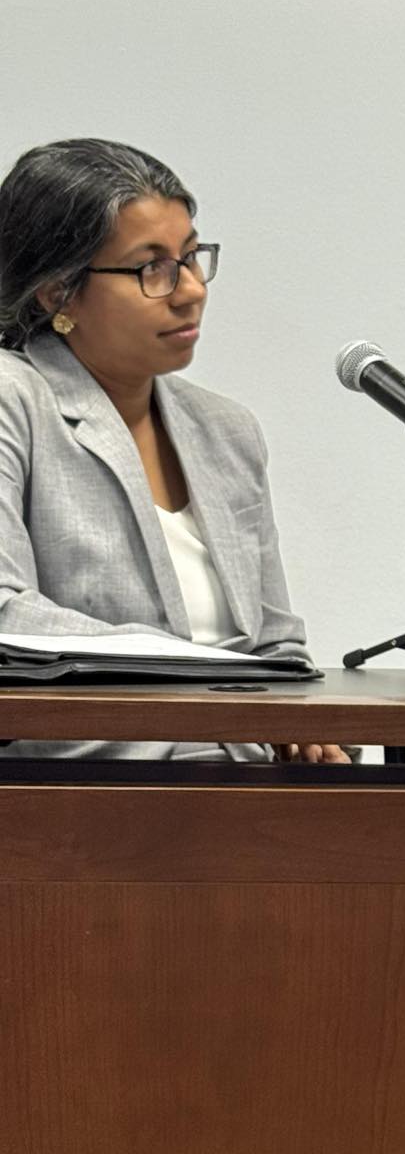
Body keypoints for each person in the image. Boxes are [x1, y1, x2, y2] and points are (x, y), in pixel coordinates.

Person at [0, 137, 346, 763]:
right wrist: (209, 686)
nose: (190, 290)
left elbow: (276, 645)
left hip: (241, 779)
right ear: (56, 292)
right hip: (81, 795)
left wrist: (304, 728)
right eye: (150, 268)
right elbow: (8, 620)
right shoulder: (13, 399)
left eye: (191, 257)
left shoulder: (225, 430)